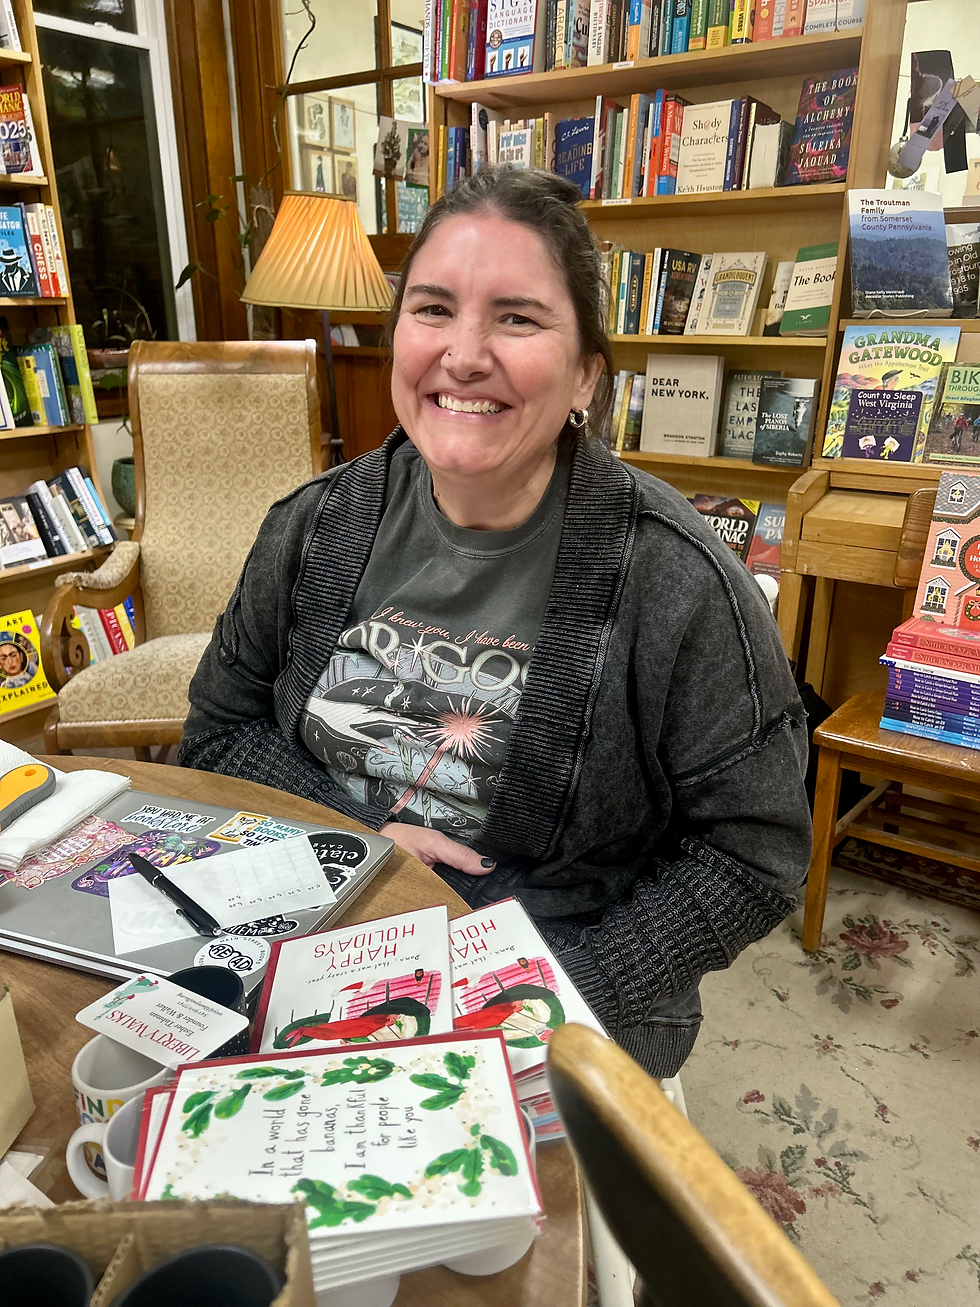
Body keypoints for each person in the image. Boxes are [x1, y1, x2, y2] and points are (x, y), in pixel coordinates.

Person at [179, 167, 811, 1078]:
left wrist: (547, 994)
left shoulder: (679, 579)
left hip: (566, 1003)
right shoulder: (312, 524)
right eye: (433, 309)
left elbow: (756, 852)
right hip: (313, 948)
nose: (465, 354)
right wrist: (356, 838)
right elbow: (217, 733)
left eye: (517, 318)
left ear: (587, 372)